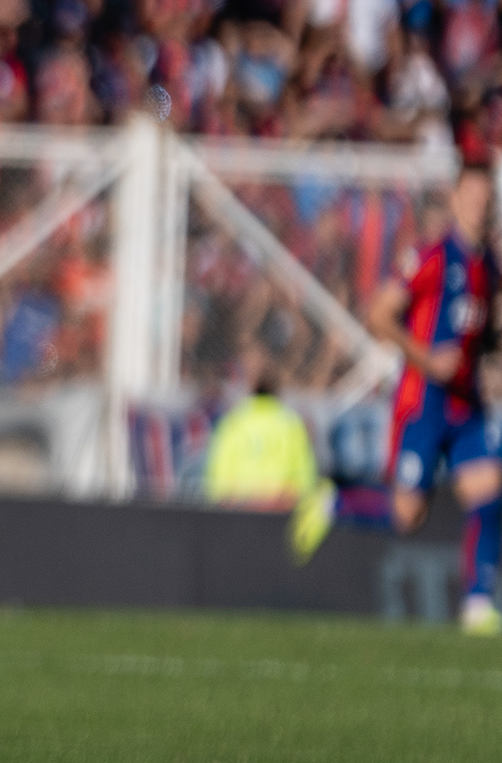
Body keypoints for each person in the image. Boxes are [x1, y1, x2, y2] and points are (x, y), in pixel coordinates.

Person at [292, 163, 502, 635]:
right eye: (471, 196)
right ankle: (335, 502)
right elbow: (378, 314)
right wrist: (426, 359)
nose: (479, 205)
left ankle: (477, 604)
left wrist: (488, 363)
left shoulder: (489, 265)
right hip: (422, 402)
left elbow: (481, 331)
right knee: (407, 516)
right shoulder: (430, 256)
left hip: (466, 405)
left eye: (486, 198)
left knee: (489, 490)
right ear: (454, 200)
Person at [203, 366, 318, 510]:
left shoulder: (234, 421)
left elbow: (219, 473)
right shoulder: (291, 424)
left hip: (240, 507)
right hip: (279, 508)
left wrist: (227, 497)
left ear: (251, 389)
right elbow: (304, 477)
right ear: (278, 390)